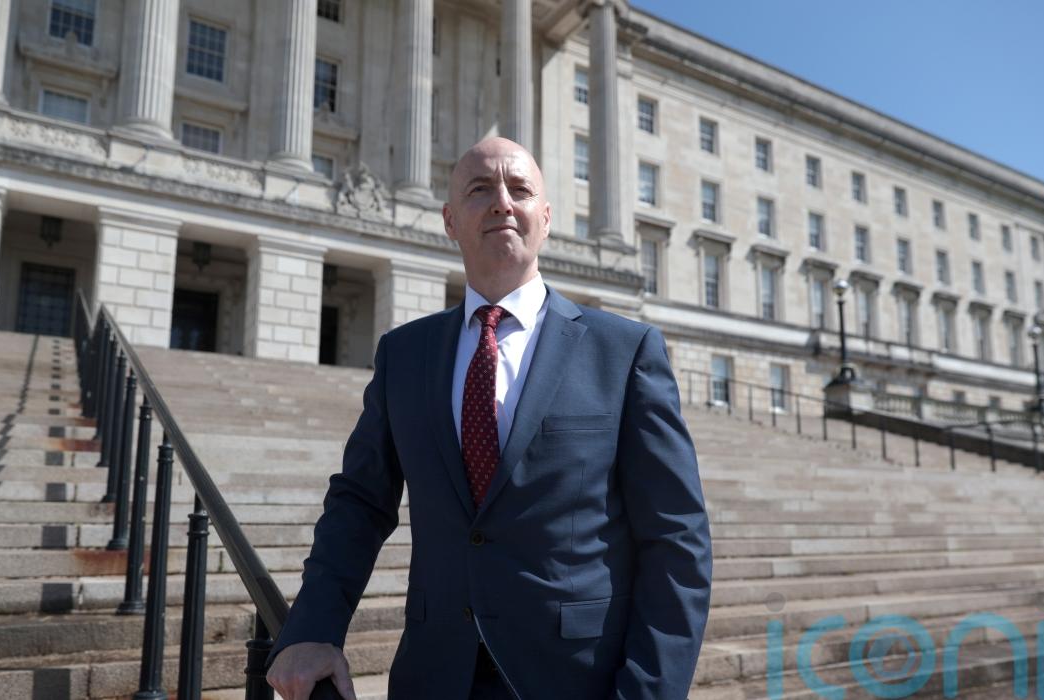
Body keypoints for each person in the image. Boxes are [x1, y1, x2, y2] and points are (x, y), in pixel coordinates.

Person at [266, 137, 712, 700]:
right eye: (480, 189)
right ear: (450, 221)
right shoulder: (404, 354)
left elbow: (676, 537)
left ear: (545, 218)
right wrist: (312, 628)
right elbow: (359, 502)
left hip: (579, 678)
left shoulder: (624, 351)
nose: (502, 201)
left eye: (519, 189)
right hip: (434, 677)